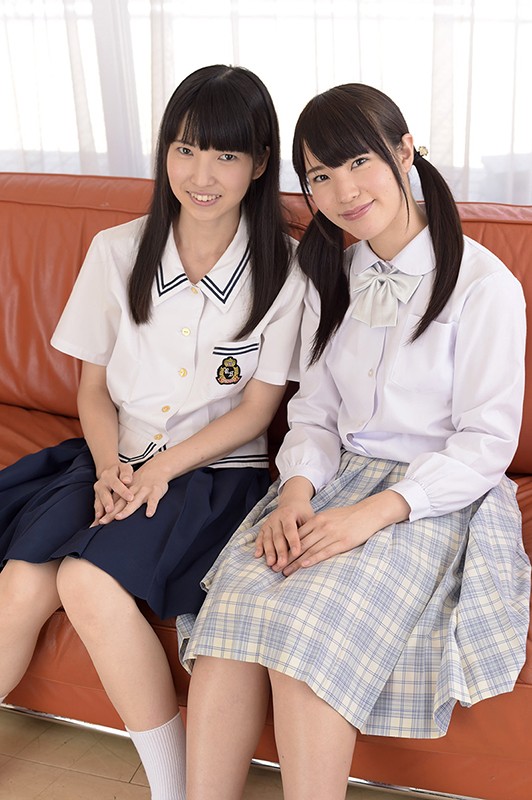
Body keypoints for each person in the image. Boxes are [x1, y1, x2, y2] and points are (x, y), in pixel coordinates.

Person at [179, 83, 531, 800]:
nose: (343, 191)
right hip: (332, 478)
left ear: (405, 152)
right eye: (320, 175)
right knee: (231, 620)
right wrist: (295, 495)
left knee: (307, 636)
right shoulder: (330, 276)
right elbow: (313, 413)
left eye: (358, 162)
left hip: (432, 497)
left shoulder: (483, 285)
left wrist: (371, 514)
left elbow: (485, 444)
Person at [0, 64, 305, 799]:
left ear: (260, 163)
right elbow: (93, 388)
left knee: (87, 581)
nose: (201, 175)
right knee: (21, 581)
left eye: (226, 155)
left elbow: (255, 413)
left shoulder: (287, 270)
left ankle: (173, 784)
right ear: (165, 151)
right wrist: (111, 468)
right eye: (185, 149)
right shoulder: (117, 250)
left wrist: (157, 472)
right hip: (113, 456)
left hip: (212, 474)